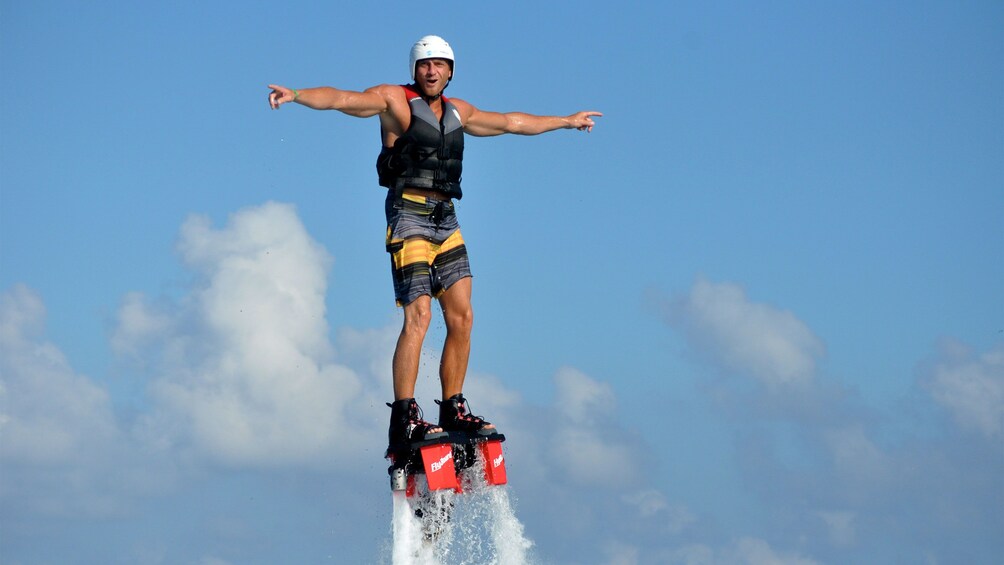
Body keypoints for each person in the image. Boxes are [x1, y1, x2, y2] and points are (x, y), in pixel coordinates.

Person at [268, 35, 601, 452]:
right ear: (414, 70)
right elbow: (343, 100)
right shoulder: (393, 100)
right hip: (408, 215)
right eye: (425, 65)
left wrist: (567, 121)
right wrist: (296, 95)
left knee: (462, 317)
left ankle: (452, 407)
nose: (432, 71)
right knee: (420, 317)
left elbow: (513, 122)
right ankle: (404, 416)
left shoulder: (460, 112)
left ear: (450, 71)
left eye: (440, 65)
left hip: (447, 220)